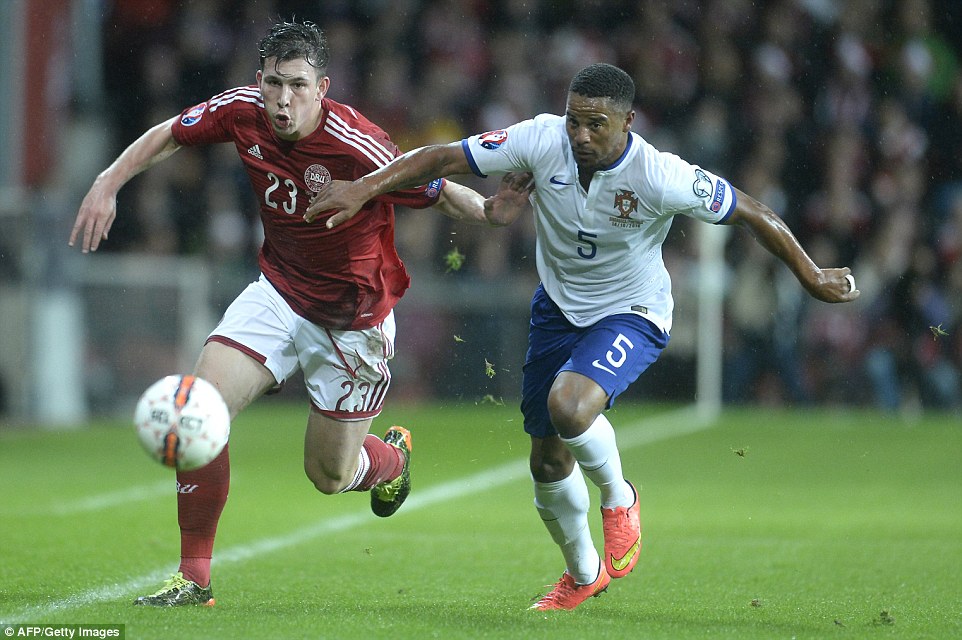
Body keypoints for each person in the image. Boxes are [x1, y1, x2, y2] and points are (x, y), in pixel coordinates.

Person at [306, 62, 860, 611]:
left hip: (632, 312)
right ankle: (583, 574)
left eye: (596, 124)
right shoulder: (541, 139)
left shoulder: (660, 174)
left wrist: (812, 275)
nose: (580, 135)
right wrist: (364, 188)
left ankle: (620, 499)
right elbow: (441, 157)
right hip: (557, 310)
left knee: (570, 408)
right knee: (546, 466)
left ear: (628, 122)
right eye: (574, 121)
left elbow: (754, 212)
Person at [68, 19, 531, 607]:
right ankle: (194, 578)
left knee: (329, 477)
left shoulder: (358, 144)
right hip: (279, 294)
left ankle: (389, 460)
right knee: (199, 411)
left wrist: (490, 212)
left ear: (323, 86)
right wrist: (109, 181)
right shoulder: (243, 112)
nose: (282, 100)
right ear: (258, 81)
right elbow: (169, 133)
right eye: (272, 84)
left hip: (352, 322)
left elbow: (434, 185)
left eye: (296, 86)